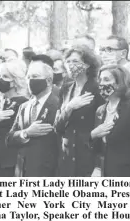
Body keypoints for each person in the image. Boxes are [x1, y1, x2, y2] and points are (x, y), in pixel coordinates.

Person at [54, 45, 103, 177]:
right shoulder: (66, 89)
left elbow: (102, 129)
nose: (70, 65)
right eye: (68, 61)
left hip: (88, 156)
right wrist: (69, 107)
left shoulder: (98, 88)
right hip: (67, 157)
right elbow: (58, 127)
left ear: (87, 65)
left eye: (75, 61)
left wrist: (99, 166)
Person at [6, 59, 60, 177]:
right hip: (22, 171)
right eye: (28, 77)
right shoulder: (24, 106)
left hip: (47, 173)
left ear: (49, 81)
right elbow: (9, 138)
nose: (30, 80)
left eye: (35, 76)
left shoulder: (58, 105)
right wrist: (26, 133)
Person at [90, 65, 130, 177]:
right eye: (100, 80)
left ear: (119, 83)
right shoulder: (100, 110)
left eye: (106, 79)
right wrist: (97, 167)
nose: (101, 83)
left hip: (126, 173)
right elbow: (98, 146)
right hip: (104, 171)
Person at [0, 60, 29, 177]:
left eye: (5, 76)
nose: (0, 79)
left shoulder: (23, 103)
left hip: (12, 160)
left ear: (15, 81)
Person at [99, 35, 130, 105]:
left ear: (123, 53)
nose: (104, 55)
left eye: (109, 50)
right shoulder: (106, 72)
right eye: (102, 50)